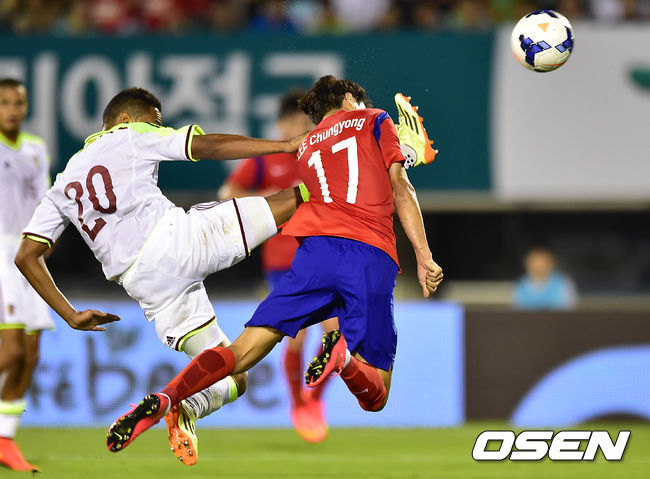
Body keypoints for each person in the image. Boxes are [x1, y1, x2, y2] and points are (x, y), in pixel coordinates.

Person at [106, 75, 443, 452]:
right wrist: (424, 255)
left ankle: (166, 397)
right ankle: (343, 359)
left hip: (314, 257)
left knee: (239, 354)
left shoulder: (308, 147)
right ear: (350, 99)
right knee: (376, 395)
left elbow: (341, 177)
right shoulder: (375, 118)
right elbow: (399, 188)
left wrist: (403, 153)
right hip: (367, 253)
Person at [13, 87, 306, 466]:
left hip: (145, 285)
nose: (157, 129)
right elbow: (208, 146)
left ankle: (182, 406)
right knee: (301, 196)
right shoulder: (129, 134)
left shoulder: (62, 185)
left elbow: (27, 255)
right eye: (154, 122)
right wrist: (284, 146)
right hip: (176, 242)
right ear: (124, 119)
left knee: (234, 373)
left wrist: (70, 315)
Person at [218, 89, 336, 443]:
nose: (301, 128)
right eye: (295, 122)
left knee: (336, 333)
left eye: (307, 122)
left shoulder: (323, 153)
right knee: (297, 335)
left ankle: (314, 400)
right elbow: (227, 193)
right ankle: (298, 402)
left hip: (323, 255)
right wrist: (276, 198)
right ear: (282, 125)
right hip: (284, 261)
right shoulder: (266, 161)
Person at [0, 78, 53, 472]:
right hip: (0, 251)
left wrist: (45, 243)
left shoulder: (36, 149)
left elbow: (45, 205)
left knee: (30, 356)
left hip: (28, 254)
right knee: (12, 350)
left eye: (18, 102)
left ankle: (4, 439)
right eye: (4, 102)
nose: (12, 109)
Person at [513, 245, 577, 310]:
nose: (539, 266)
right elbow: (516, 309)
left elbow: (569, 309)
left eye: (543, 262)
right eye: (534, 262)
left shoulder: (563, 282)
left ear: (551, 263)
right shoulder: (519, 285)